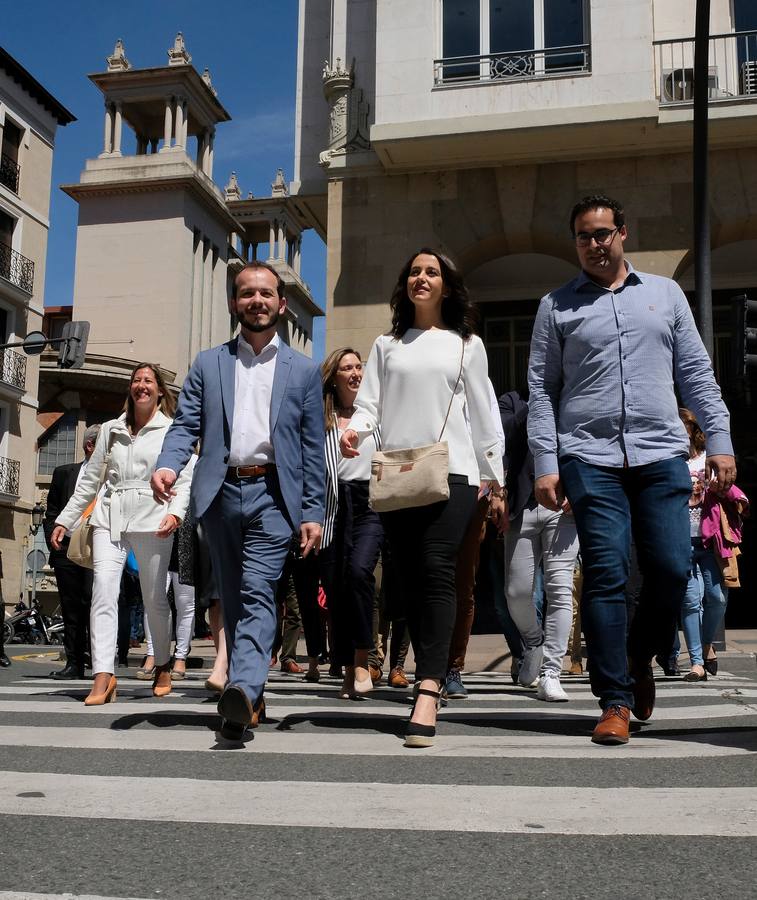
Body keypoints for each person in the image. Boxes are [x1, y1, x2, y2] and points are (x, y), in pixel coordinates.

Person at [528, 194, 736, 745]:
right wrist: (546, 463)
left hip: (661, 452)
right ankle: (614, 699)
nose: (594, 244)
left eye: (602, 233)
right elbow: (543, 392)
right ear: (575, 243)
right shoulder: (556, 306)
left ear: (623, 233)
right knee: (605, 575)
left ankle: (638, 659)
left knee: (670, 570)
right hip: (588, 457)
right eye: (583, 236)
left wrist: (719, 440)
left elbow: (694, 371)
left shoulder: (665, 295)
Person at [151, 260, 325, 740]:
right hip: (221, 492)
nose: (257, 301)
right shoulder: (209, 363)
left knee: (256, 590)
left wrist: (313, 513)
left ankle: (243, 689)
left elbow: (312, 450)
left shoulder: (304, 371)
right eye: (247, 293)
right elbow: (186, 424)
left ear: (281, 303)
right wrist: (169, 463)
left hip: (274, 495)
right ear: (234, 303)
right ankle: (252, 693)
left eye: (266, 293)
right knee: (230, 596)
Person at [341, 248, 503, 747]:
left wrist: (494, 474)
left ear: (447, 286)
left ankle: (428, 686)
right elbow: (368, 403)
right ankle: (424, 670)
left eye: (431, 272)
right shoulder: (387, 345)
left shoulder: (466, 345)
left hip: (452, 474)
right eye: (414, 271)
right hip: (398, 473)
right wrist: (357, 430)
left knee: (437, 571)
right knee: (408, 582)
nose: (422, 278)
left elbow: (485, 409)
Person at [51, 364, 194, 705]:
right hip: (109, 515)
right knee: (103, 591)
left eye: (148, 381)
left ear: (160, 391)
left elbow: (185, 477)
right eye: (136, 381)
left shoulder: (172, 430)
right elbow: (89, 481)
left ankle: (162, 662)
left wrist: (176, 513)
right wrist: (65, 520)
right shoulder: (111, 429)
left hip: (153, 516)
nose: (141, 386)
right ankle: (103, 674)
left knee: (154, 598)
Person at [496, 385, 579, 701]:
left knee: (559, 589)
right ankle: (533, 642)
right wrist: (540, 404)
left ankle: (552, 672)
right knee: (516, 592)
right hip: (522, 508)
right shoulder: (511, 401)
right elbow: (501, 434)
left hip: (563, 508)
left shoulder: (575, 398)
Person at [321, 347, 384, 699]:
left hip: (369, 502)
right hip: (332, 506)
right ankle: (347, 668)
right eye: (348, 368)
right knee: (335, 587)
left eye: (359, 366)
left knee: (360, 573)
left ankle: (364, 658)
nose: (357, 373)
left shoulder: (372, 414)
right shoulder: (321, 418)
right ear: (335, 377)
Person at [679, 408, 748, 682]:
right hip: (680, 537)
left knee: (717, 598)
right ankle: (696, 661)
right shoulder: (671, 461)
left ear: (692, 431)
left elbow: (730, 488)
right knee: (690, 601)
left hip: (711, 539)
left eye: (682, 429)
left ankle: (707, 646)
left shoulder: (709, 459)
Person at [43, 424, 100, 679]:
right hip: (66, 548)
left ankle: (99, 663)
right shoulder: (64, 473)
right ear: (90, 446)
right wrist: (51, 541)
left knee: (95, 603)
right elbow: (51, 512)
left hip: (98, 546)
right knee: (71, 607)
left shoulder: (110, 475)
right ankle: (74, 664)